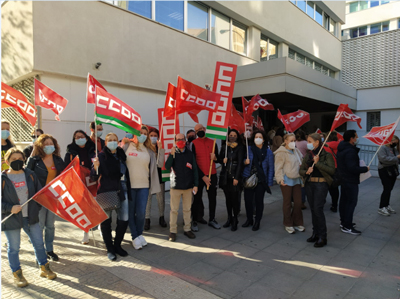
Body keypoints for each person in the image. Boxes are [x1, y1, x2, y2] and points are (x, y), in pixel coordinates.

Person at [2, 148, 57, 288]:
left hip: (30, 217)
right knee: (14, 248)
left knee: (39, 243)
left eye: (20, 159)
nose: (17, 162)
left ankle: (44, 267)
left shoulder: (30, 174)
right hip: (12, 218)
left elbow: (39, 194)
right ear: (7, 161)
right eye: (13, 159)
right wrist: (9, 208)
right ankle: (17, 273)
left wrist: (35, 209)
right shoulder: (3, 179)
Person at [91, 133, 131, 261]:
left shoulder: (121, 154)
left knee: (124, 218)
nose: (113, 142)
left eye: (115, 140)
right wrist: (95, 167)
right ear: (106, 142)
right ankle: (110, 248)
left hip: (122, 189)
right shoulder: (101, 156)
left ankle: (117, 245)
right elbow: (94, 177)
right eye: (110, 140)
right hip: (107, 191)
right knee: (106, 221)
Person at [26, 134, 66, 261]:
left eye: (51, 144)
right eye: (46, 144)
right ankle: (40, 250)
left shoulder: (58, 160)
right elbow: (27, 175)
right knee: (40, 225)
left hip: (53, 197)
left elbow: (65, 175)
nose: (49, 146)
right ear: (40, 146)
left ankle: (50, 249)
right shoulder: (34, 160)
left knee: (50, 225)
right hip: (39, 198)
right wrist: (31, 156)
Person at [123, 125, 163, 250]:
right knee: (130, 212)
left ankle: (139, 234)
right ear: (134, 133)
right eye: (140, 132)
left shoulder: (149, 150)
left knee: (141, 213)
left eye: (145, 133)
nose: (143, 135)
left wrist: (161, 150)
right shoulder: (126, 146)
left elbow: (160, 164)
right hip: (129, 186)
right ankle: (135, 236)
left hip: (144, 186)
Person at [299, 133, 335, 248]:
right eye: (307, 141)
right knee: (313, 209)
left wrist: (318, 163)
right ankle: (315, 233)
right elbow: (301, 170)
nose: (308, 144)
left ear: (317, 142)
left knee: (318, 209)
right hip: (310, 184)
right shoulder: (308, 155)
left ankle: (322, 237)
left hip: (321, 184)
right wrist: (306, 172)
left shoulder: (326, 155)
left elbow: (331, 170)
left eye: (310, 141)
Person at [165, 133, 198, 241]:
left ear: (185, 140)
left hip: (188, 186)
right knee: (174, 210)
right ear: (175, 141)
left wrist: (196, 184)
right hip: (176, 185)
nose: (180, 141)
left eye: (182, 139)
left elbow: (195, 170)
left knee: (187, 209)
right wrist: (171, 154)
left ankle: (187, 229)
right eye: (178, 139)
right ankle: (172, 231)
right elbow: (167, 166)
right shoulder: (173, 153)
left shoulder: (190, 154)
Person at [64, 130, 95, 244]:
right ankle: (85, 231)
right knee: (83, 207)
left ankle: (99, 226)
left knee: (95, 205)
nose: (79, 138)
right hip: (78, 182)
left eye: (81, 136)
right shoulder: (70, 152)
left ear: (86, 138)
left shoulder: (93, 149)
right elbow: (66, 168)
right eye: (77, 137)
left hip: (92, 181)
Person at [337, 130, 369, 235]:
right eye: (356, 136)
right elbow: (352, 168)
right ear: (351, 138)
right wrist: (365, 169)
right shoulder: (350, 151)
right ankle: (347, 226)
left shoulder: (342, 148)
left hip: (344, 179)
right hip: (350, 180)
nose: (357, 138)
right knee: (351, 202)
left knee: (344, 201)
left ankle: (344, 222)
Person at [242, 131, 274, 231]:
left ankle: (257, 221)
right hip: (249, 179)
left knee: (259, 201)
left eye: (260, 137)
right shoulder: (249, 149)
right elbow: (242, 161)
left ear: (264, 139)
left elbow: (271, 168)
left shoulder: (268, 152)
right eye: (256, 137)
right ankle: (249, 219)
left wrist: (269, 182)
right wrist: (245, 162)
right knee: (248, 201)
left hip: (261, 180)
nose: (258, 139)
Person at [191, 123, 220, 231]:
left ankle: (212, 219)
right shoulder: (193, 144)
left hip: (212, 174)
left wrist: (215, 157)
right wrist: (203, 176)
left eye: (200, 129)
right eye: (196, 130)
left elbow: (219, 159)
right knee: (197, 199)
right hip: (199, 177)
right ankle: (194, 220)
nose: (199, 131)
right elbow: (193, 163)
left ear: (204, 129)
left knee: (212, 198)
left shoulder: (213, 143)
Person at [274, 133, 305, 234]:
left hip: (297, 179)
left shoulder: (296, 151)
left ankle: (297, 221)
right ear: (286, 141)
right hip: (286, 180)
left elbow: (302, 161)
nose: (293, 142)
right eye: (291, 140)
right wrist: (279, 178)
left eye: (294, 140)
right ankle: (288, 223)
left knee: (298, 202)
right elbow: (278, 167)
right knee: (287, 203)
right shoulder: (281, 152)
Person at [218, 129, 245, 231]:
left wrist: (237, 177)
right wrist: (222, 160)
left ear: (237, 137)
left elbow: (239, 164)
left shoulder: (240, 148)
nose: (232, 137)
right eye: (230, 135)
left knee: (234, 200)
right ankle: (229, 218)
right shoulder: (225, 147)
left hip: (234, 177)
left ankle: (235, 219)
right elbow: (220, 159)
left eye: (234, 135)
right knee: (227, 200)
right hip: (225, 177)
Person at [144, 128, 166, 230]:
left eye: (155, 135)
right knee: (147, 200)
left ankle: (162, 217)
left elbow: (160, 164)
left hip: (159, 177)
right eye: (151, 135)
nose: (153, 137)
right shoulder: (145, 148)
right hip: (148, 178)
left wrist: (160, 149)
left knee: (160, 199)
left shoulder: (159, 148)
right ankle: (147, 219)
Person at [377, 135, 400, 216]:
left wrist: (397, 158)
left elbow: (397, 160)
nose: (395, 144)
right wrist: (396, 158)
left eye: (397, 143)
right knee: (387, 188)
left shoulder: (394, 149)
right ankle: (381, 207)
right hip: (384, 170)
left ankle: (386, 205)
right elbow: (383, 159)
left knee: (390, 189)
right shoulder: (382, 148)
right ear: (390, 141)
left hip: (393, 170)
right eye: (394, 142)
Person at [325, 131, 341, 212]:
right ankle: (335, 204)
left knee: (325, 186)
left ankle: (322, 201)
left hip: (327, 168)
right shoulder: (340, 145)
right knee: (334, 187)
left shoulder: (325, 146)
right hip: (337, 168)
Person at [295, 129, 308, 210]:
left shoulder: (294, 143)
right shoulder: (306, 143)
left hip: (295, 164)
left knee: (296, 184)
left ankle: (295, 200)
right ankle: (302, 202)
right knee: (303, 184)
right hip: (303, 164)